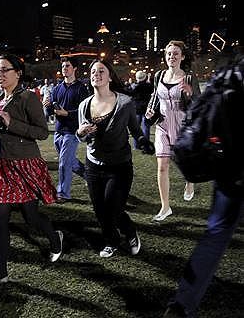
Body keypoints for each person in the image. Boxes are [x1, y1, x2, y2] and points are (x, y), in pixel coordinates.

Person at [163, 58, 244, 318]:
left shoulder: (231, 69)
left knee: (214, 236)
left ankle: (182, 305)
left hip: (229, 168)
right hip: (233, 167)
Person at [0, 54, 63, 287]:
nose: (0, 75)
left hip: (24, 164)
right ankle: (0, 271)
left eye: (5, 70)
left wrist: (11, 123)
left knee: (31, 217)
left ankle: (54, 237)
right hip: (1, 165)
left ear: (18, 72)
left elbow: (42, 132)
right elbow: (0, 124)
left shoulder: (28, 97)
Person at [77, 59, 155, 258]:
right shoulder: (84, 105)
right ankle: (111, 240)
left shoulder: (124, 103)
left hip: (119, 165)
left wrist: (144, 142)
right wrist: (81, 132)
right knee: (100, 210)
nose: (96, 74)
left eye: (101, 71)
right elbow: (82, 136)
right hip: (93, 165)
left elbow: (136, 131)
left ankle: (129, 232)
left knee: (114, 207)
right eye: (93, 71)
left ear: (110, 76)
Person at [145, 40, 201, 222]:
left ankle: (190, 183)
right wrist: (150, 110)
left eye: (176, 53)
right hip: (162, 124)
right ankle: (165, 207)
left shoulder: (189, 78)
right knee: (162, 166)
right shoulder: (159, 75)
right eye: (169, 53)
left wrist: (190, 94)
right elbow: (155, 96)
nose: (172, 56)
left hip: (182, 123)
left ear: (182, 57)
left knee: (184, 162)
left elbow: (200, 106)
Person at [44, 57, 90, 203]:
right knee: (70, 161)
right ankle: (89, 175)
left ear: (74, 68)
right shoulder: (57, 88)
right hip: (58, 130)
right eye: (63, 66)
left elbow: (84, 111)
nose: (64, 68)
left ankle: (63, 193)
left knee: (64, 162)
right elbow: (51, 111)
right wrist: (47, 106)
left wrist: (67, 114)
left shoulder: (81, 88)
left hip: (72, 131)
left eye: (67, 66)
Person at [129, 70, 153, 149]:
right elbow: (151, 89)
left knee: (136, 128)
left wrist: (130, 83)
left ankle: (136, 146)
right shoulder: (148, 86)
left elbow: (129, 92)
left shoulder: (134, 86)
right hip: (146, 108)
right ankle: (146, 145)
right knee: (146, 127)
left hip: (136, 109)